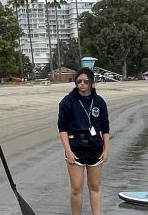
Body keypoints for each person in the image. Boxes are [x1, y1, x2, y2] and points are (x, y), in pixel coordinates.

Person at [58, 67, 110, 215]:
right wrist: (68, 151)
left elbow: (105, 128)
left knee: (95, 186)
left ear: (91, 82)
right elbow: (62, 128)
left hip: (95, 147)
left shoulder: (99, 102)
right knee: (76, 188)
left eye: (85, 81)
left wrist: (106, 149)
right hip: (75, 147)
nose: (82, 84)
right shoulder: (67, 101)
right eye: (79, 81)